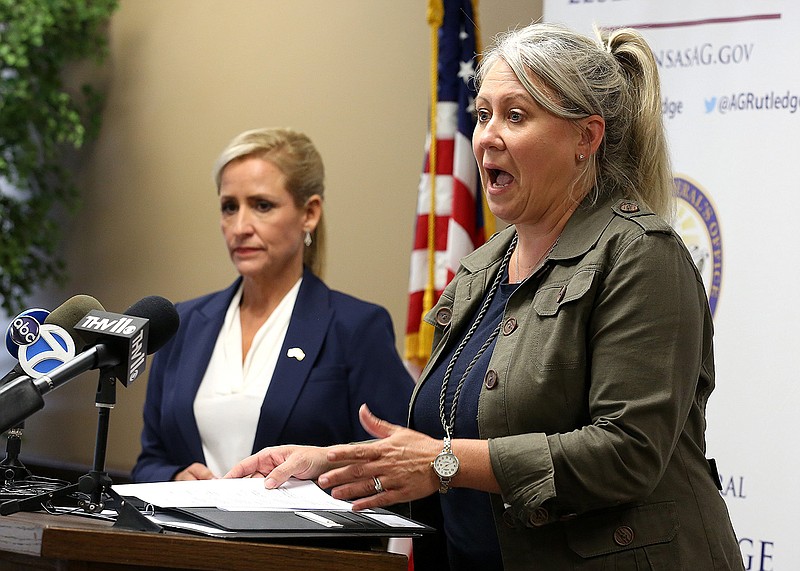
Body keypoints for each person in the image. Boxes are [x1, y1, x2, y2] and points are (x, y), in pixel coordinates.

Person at [226, 24, 744, 570]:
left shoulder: (641, 255)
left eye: (515, 116)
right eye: (482, 114)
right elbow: (438, 447)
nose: (486, 137)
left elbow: (626, 454)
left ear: (586, 138)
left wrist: (443, 461)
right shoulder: (483, 267)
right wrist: (336, 464)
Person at [132, 127, 414, 483]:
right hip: (188, 537)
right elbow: (149, 461)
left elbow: (397, 463)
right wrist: (174, 478)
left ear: (309, 214)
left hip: (301, 539)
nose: (240, 226)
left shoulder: (355, 328)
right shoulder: (182, 323)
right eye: (229, 207)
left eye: (261, 206)